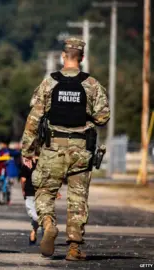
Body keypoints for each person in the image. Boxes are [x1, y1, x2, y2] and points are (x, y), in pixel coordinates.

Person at [21, 38, 110, 261]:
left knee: (43, 192)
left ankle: (49, 223)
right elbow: (103, 117)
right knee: (77, 199)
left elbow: (34, 118)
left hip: (52, 149)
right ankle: (74, 248)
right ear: (82, 57)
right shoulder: (92, 85)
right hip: (81, 151)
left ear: (63, 55)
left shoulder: (49, 83)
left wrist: (28, 150)